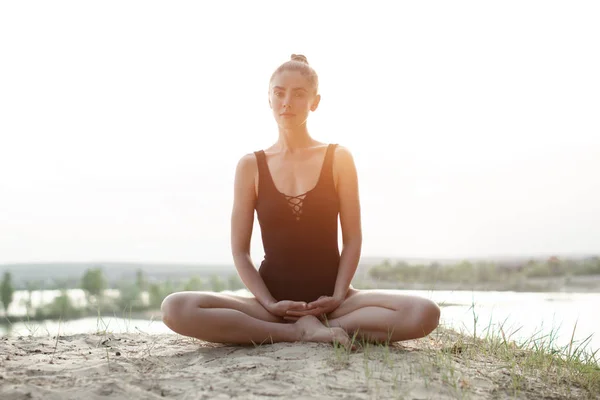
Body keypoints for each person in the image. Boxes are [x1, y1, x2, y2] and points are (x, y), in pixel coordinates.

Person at [161, 54, 440, 347]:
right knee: (175, 307)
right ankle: (297, 332)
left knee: (423, 313)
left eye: (298, 94)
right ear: (269, 99)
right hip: (273, 306)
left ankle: (322, 325)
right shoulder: (250, 166)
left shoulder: (338, 158)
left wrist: (337, 295)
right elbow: (241, 253)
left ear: (315, 102)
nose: (287, 102)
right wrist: (269, 303)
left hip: (334, 302)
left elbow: (353, 240)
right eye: (279, 93)